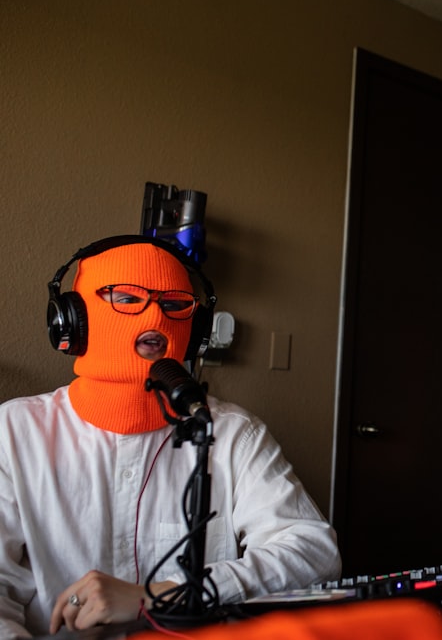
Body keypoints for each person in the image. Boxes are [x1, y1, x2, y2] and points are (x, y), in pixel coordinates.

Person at [0, 236, 342, 638]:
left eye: (175, 304)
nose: (155, 318)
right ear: (73, 319)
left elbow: (314, 552)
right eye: (126, 298)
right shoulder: (14, 432)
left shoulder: (233, 433)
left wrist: (167, 594)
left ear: (195, 329)